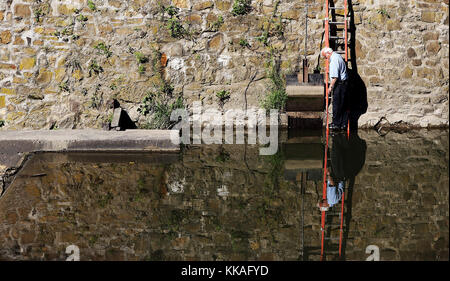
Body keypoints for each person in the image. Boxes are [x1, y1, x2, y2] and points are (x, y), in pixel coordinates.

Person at [321, 47, 349, 130]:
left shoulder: (333, 60)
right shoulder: (338, 56)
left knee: (337, 104)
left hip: (339, 84)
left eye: (325, 57)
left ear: (328, 53)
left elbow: (334, 77)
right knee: (343, 104)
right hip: (345, 83)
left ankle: (336, 124)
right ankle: (344, 124)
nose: (326, 59)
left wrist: (330, 88)